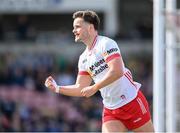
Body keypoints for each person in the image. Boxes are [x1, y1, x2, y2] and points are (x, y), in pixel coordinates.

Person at [45, 10, 154, 132]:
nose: (73, 30)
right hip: (111, 109)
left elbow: (117, 71)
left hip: (131, 102)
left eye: (77, 27)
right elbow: (81, 88)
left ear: (90, 28)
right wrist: (58, 88)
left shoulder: (106, 43)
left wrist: (95, 87)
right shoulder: (83, 58)